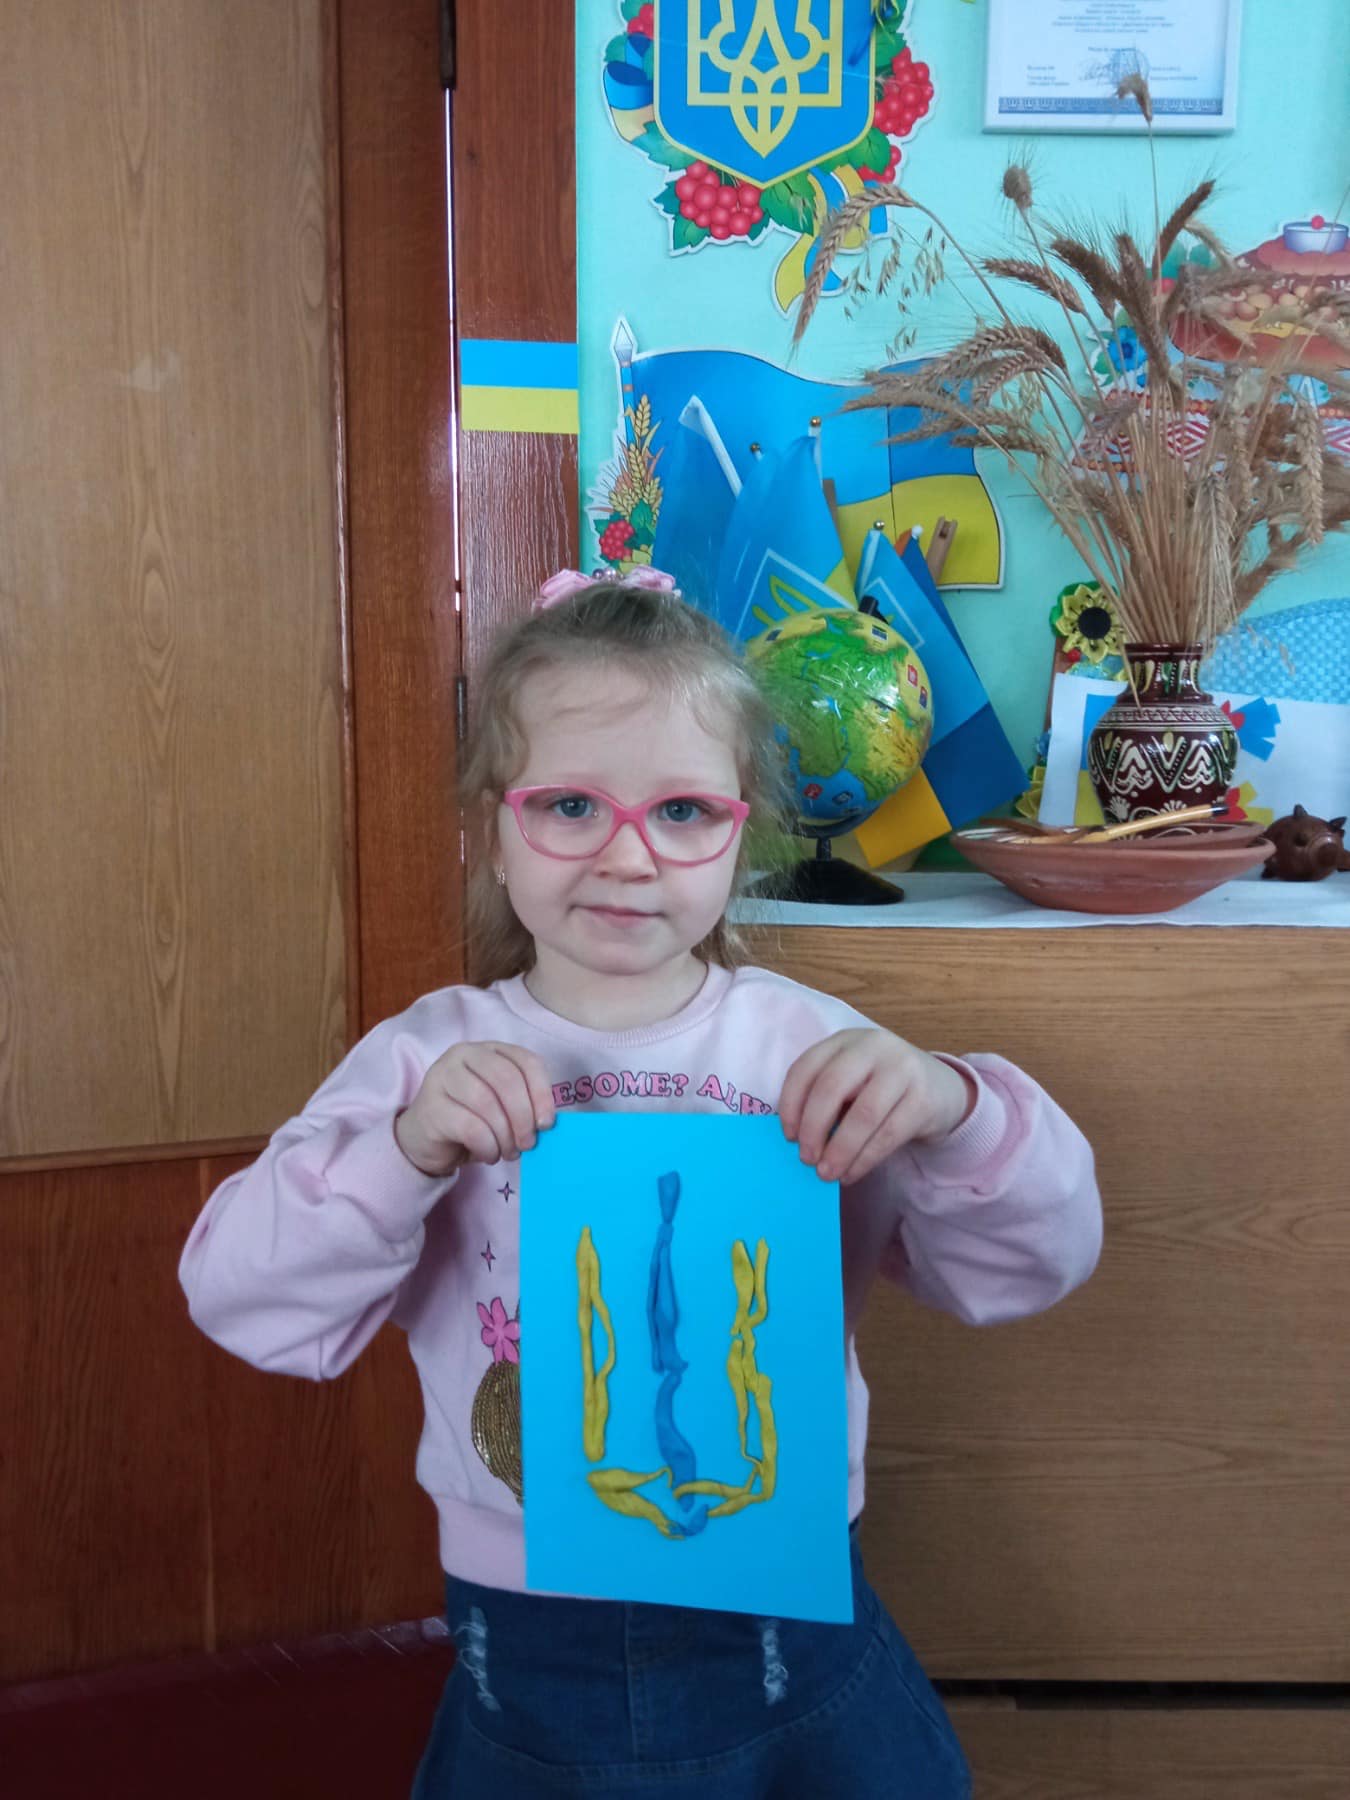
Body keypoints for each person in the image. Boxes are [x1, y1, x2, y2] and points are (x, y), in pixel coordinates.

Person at [180, 569, 1102, 1798]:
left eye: (681, 811)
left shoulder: (811, 1048)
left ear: (741, 831)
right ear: (490, 829)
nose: (627, 856)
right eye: (570, 805)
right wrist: (403, 1150)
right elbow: (241, 1297)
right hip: (527, 1625)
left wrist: (955, 1108)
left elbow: (1031, 1266)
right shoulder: (422, 1061)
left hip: (785, 1609)